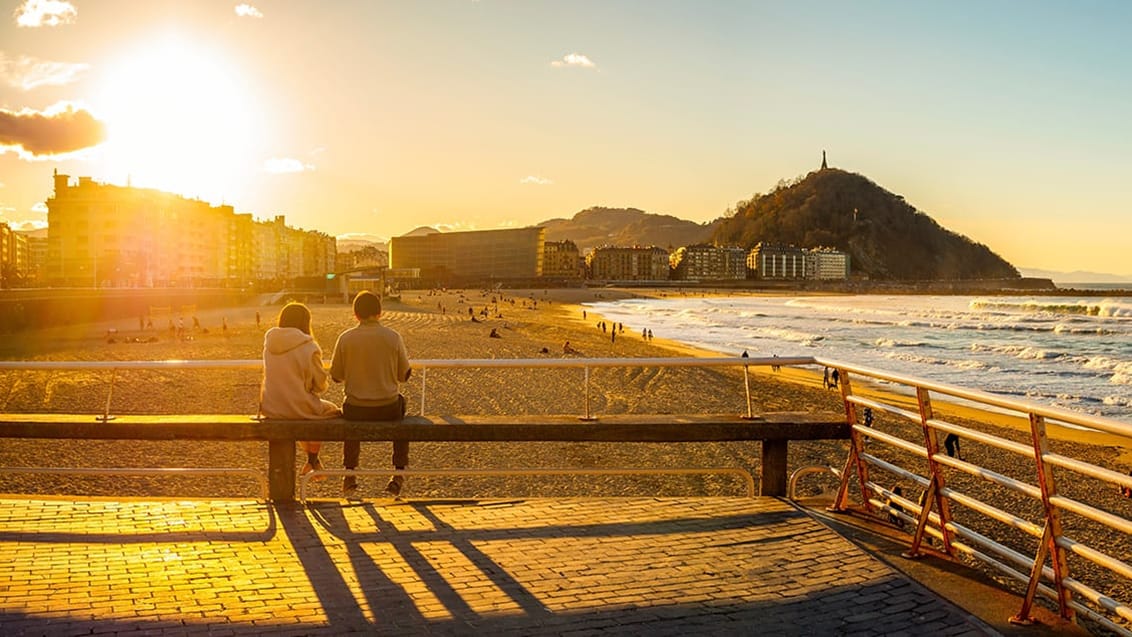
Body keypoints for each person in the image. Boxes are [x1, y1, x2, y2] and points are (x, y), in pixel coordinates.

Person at [330, 291, 412, 498]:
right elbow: (403, 375)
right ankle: (398, 473)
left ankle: (350, 473)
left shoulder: (345, 338)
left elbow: (336, 376)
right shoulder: (393, 337)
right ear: (380, 313)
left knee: (350, 418)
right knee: (402, 413)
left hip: (356, 408)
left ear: (356, 314)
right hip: (388, 407)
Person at [259, 302, 341, 481]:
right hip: (296, 406)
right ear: (306, 322)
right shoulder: (309, 345)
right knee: (329, 410)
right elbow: (320, 385)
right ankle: (312, 460)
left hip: (271, 407)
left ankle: (313, 462)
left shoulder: (269, 343)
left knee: (305, 411)